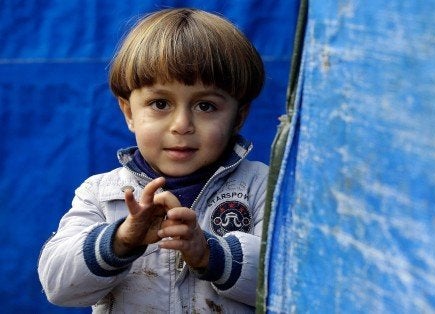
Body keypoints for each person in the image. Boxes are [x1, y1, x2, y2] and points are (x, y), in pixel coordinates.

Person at [38, 8, 267, 313]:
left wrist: (212, 254)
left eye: (206, 106)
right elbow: (57, 285)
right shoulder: (101, 194)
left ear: (239, 116)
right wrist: (120, 241)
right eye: (160, 103)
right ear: (129, 112)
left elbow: (293, 280)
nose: (181, 124)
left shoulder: (261, 186)